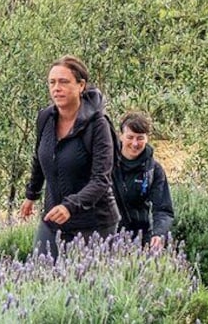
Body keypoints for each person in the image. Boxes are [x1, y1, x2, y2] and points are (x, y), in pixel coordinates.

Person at [20, 55, 120, 258]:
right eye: (52, 82)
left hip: (93, 223)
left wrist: (69, 206)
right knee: (41, 275)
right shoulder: (45, 118)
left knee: (88, 285)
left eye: (64, 82)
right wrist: (32, 195)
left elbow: (101, 179)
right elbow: (39, 159)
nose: (56, 88)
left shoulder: (98, 125)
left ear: (81, 85)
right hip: (53, 217)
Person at [112, 110, 174, 250]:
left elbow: (163, 210)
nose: (135, 143)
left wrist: (158, 234)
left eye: (140, 138)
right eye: (130, 137)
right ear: (121, 136)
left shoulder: (153, 170)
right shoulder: (105, 164)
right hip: (106, 237)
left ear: (147, 138)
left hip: (140, 239)